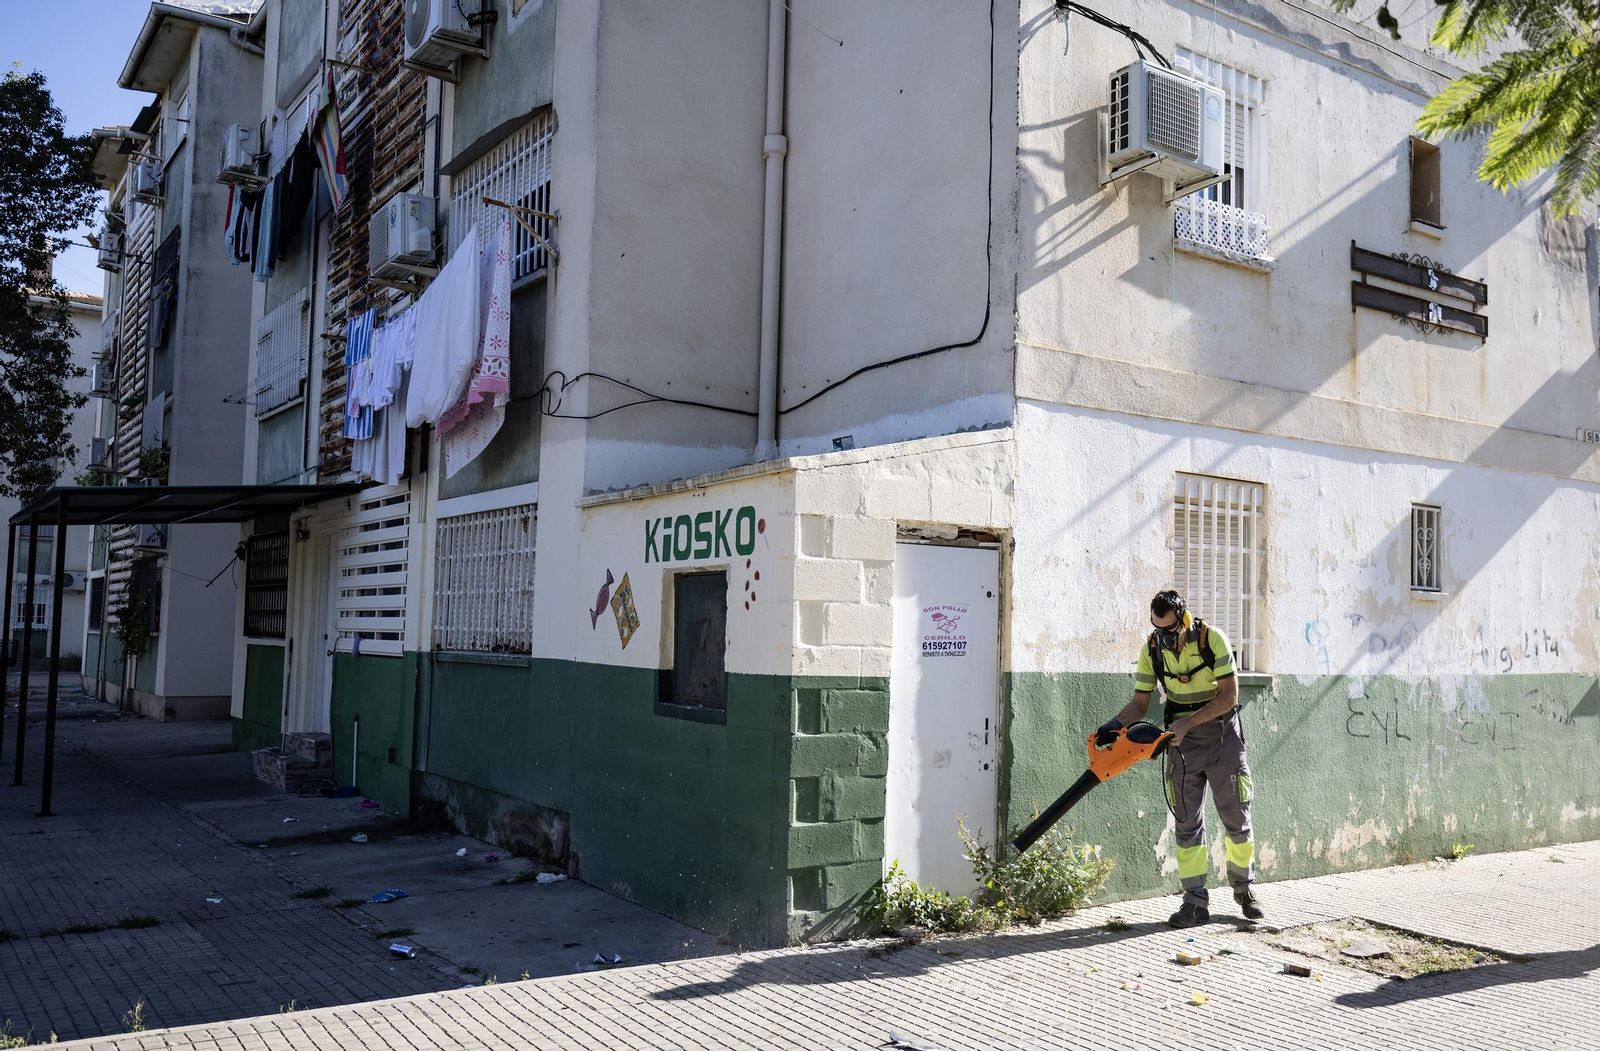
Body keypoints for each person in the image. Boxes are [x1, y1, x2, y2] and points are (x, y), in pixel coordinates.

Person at [1097, 590, 1264, 928]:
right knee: (1187, 824)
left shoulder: (1212, 639)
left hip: (1222, 739)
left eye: (1170, 630)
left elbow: (1229, 697)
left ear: (1184, 620)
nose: (1165, 636)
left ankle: (1245, 891)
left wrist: (1188, 721)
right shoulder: (1153, 650)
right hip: (1181, 745)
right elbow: (1139, 704)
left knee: (1237, 818)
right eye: (1158, 630)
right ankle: (1194, 902)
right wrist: (1115, 725)